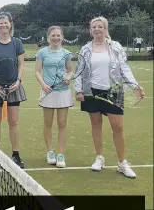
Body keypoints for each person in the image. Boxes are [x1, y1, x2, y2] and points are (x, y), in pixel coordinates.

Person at [74, 16, 145, 178]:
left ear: (106, 29)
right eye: (94, 27)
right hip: (91, 91)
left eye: (100, 26)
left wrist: (135, 86)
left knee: (118, 127)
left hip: (114, 90)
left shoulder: (116, 47)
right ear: (90, 30)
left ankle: (122, 163)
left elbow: (124, 68)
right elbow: (79, 71)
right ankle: (99, 158)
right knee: (96, 124)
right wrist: (78, 90)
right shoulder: (85, 49)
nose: (97, 29)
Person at [0, 12, 26, 169]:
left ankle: (16, 154)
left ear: (10, 24)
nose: (3, 25)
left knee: (13, 121)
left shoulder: (17, 43)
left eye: (6, 23)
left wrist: (18, 81)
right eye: (0, 23)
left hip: (14, 87)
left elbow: (21, 64)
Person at [35, 26, 73, 168]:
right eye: (53, 35)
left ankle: (60, 154)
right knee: (48, 123)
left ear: (62, 37)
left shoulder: (67, 53)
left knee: (62, 123)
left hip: (63, 92)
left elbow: (69, 71)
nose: (56, 38)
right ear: (48, 37)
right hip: (48, 92)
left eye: (58, 35)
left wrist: (68, 78)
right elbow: (38, 72)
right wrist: (44, 85)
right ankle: (50, 152)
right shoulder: (41, 53)